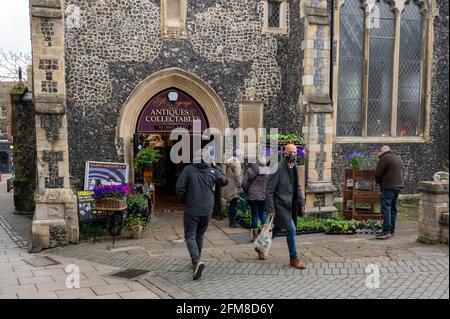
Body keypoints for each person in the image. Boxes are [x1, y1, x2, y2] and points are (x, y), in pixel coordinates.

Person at [175, 149, 228, 280]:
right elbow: (224, 181)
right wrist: (216, 166)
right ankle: (197, 261)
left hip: (192, 208)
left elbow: (179, 188)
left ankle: (196, 260)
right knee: (199, 234)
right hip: (207, 209)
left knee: (190, 235)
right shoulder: (213, 171)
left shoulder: (188, 170)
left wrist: (185, 200)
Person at [257, 144, 306, 269]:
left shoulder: (293, 166)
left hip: (290, 205)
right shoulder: (277, 168)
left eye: (295, 152)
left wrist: (301, 202)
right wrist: (271, 209)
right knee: (291, 229)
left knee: (278, 228)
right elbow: (269, 191)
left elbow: (298, 187)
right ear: (284, 153)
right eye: (290, 152)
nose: (293, 154)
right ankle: (293, 258)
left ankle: (260, 247)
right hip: (280, 206)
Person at [375, 145, 404, 239]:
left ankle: (386, 230)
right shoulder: (397, 157)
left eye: (378, 151)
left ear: (382, 151)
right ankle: (391, 230)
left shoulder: (384, 158)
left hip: (388, 186)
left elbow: (378, 174)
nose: (378, 154)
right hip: (398, 186)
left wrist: (378, 181)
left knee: (386, 207)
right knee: (392, 208)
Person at [242, 159, 270, 242]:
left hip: (252, 196)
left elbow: (244, 183)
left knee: (255, 214)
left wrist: (247, 190)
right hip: (264, 196)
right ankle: (265, 235)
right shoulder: (268, 171)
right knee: (263, 213)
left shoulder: (250, 170)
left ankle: (255, 237)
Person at [223, 151, 243, 228]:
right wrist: (240, 185)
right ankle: (233, 222)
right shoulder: (236, 162)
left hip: (228, 185)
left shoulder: (228, 161)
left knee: (231, 203)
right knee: (234, 204)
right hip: (234, 186)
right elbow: (237, 175)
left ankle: (232, 220)